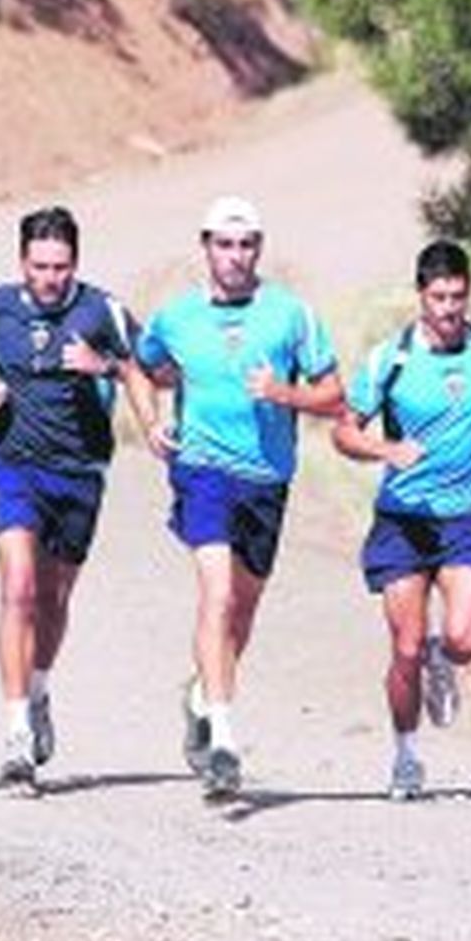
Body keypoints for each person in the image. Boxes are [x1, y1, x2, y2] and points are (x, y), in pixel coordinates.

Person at [127, 196, 343, 799]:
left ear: (259, 250)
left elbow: (333, 395)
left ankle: (200, 695)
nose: (235, 256)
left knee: (240, 615)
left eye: (246, 245)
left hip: (267, 478)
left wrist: (283, 393)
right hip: (202, 470)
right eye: (224, 244)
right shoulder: (176, 318)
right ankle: (223, 740)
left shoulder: (290, 315)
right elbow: (142, 368)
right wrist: (151, 425)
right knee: (217, 595)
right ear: (205, 248)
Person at [0, 205, 136, 788]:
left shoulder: (102, 309)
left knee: (54, 600)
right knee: (19, 588)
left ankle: (37, 690)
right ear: (22, 263)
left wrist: (101, 364)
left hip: (79, 471)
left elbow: (155, 370)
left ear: (75, 264)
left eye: (60, 267)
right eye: (40, 266)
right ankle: (15, 736)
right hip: (12, 464)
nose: (50, 277)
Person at [331, 239, 471, 801]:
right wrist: (385, 452)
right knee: (404, 649)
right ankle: (406, 757)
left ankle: (445, 659)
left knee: (462, 641)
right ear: (420, 297)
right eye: (438, 297)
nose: (449, 309)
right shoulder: (392, 359)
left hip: (468, 516)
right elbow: (343, 430)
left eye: (458, 296)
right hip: (404, 522)